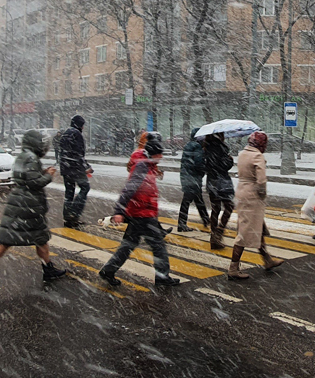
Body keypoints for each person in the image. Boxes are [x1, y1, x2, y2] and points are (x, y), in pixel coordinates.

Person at [0, 130, 67, 290]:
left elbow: (24, 177)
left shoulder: (22, 156)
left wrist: (42, 172)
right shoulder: (31, 158)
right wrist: (49, 176)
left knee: (8, 240)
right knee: (39, 237)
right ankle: (48, 269)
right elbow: (33, 183)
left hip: (19, 202)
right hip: (27, 205)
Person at [98, 138, 182, 288]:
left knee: (128, 246)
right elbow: (129, 189)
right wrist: (119, 211)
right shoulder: (142, 167)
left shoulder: (147, 166)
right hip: (142, 214)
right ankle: (162, 277)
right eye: (159, 154)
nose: (161, 157)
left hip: (142, 212)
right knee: (158, 246)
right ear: (153, 154)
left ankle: (108, 270)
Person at [227, 131, 284, 280]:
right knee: (245, 233)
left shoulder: (243, 153)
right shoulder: (257, 156)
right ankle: (233, 268)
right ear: (262, 144)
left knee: (257, 227)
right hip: (252, 197)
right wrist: (262, 194)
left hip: (241, 192)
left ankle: (267, 260)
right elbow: (261, 181)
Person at [58, 115, 93, 228]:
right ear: (80, 125)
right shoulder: (77, 134)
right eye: (82, 125)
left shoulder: (65, 133)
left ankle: (68, 218)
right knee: (85, 187)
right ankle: (74, 213)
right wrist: (86, 167)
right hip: (75, 168)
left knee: (69, 193)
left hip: (65, 167)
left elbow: (62, 152)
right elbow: (78, 154)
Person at [202, 132, 235, 250]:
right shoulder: (220, 147)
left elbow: (205, 166)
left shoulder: (206, 147)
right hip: (222, 182)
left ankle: (213, 238)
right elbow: (224, 165)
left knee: (215, 210)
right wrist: (230, 160)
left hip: (212, 182)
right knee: (229, 207)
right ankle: (219, 233)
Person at [177, 128, 210, 233]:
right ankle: (181, 224)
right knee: (187, 201)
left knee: (198, 200)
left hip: (187, 177)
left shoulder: (189, 145)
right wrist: (203, 171)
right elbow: (198, 164)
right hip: (193, 178)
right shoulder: (197, 147)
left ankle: (206, 220)